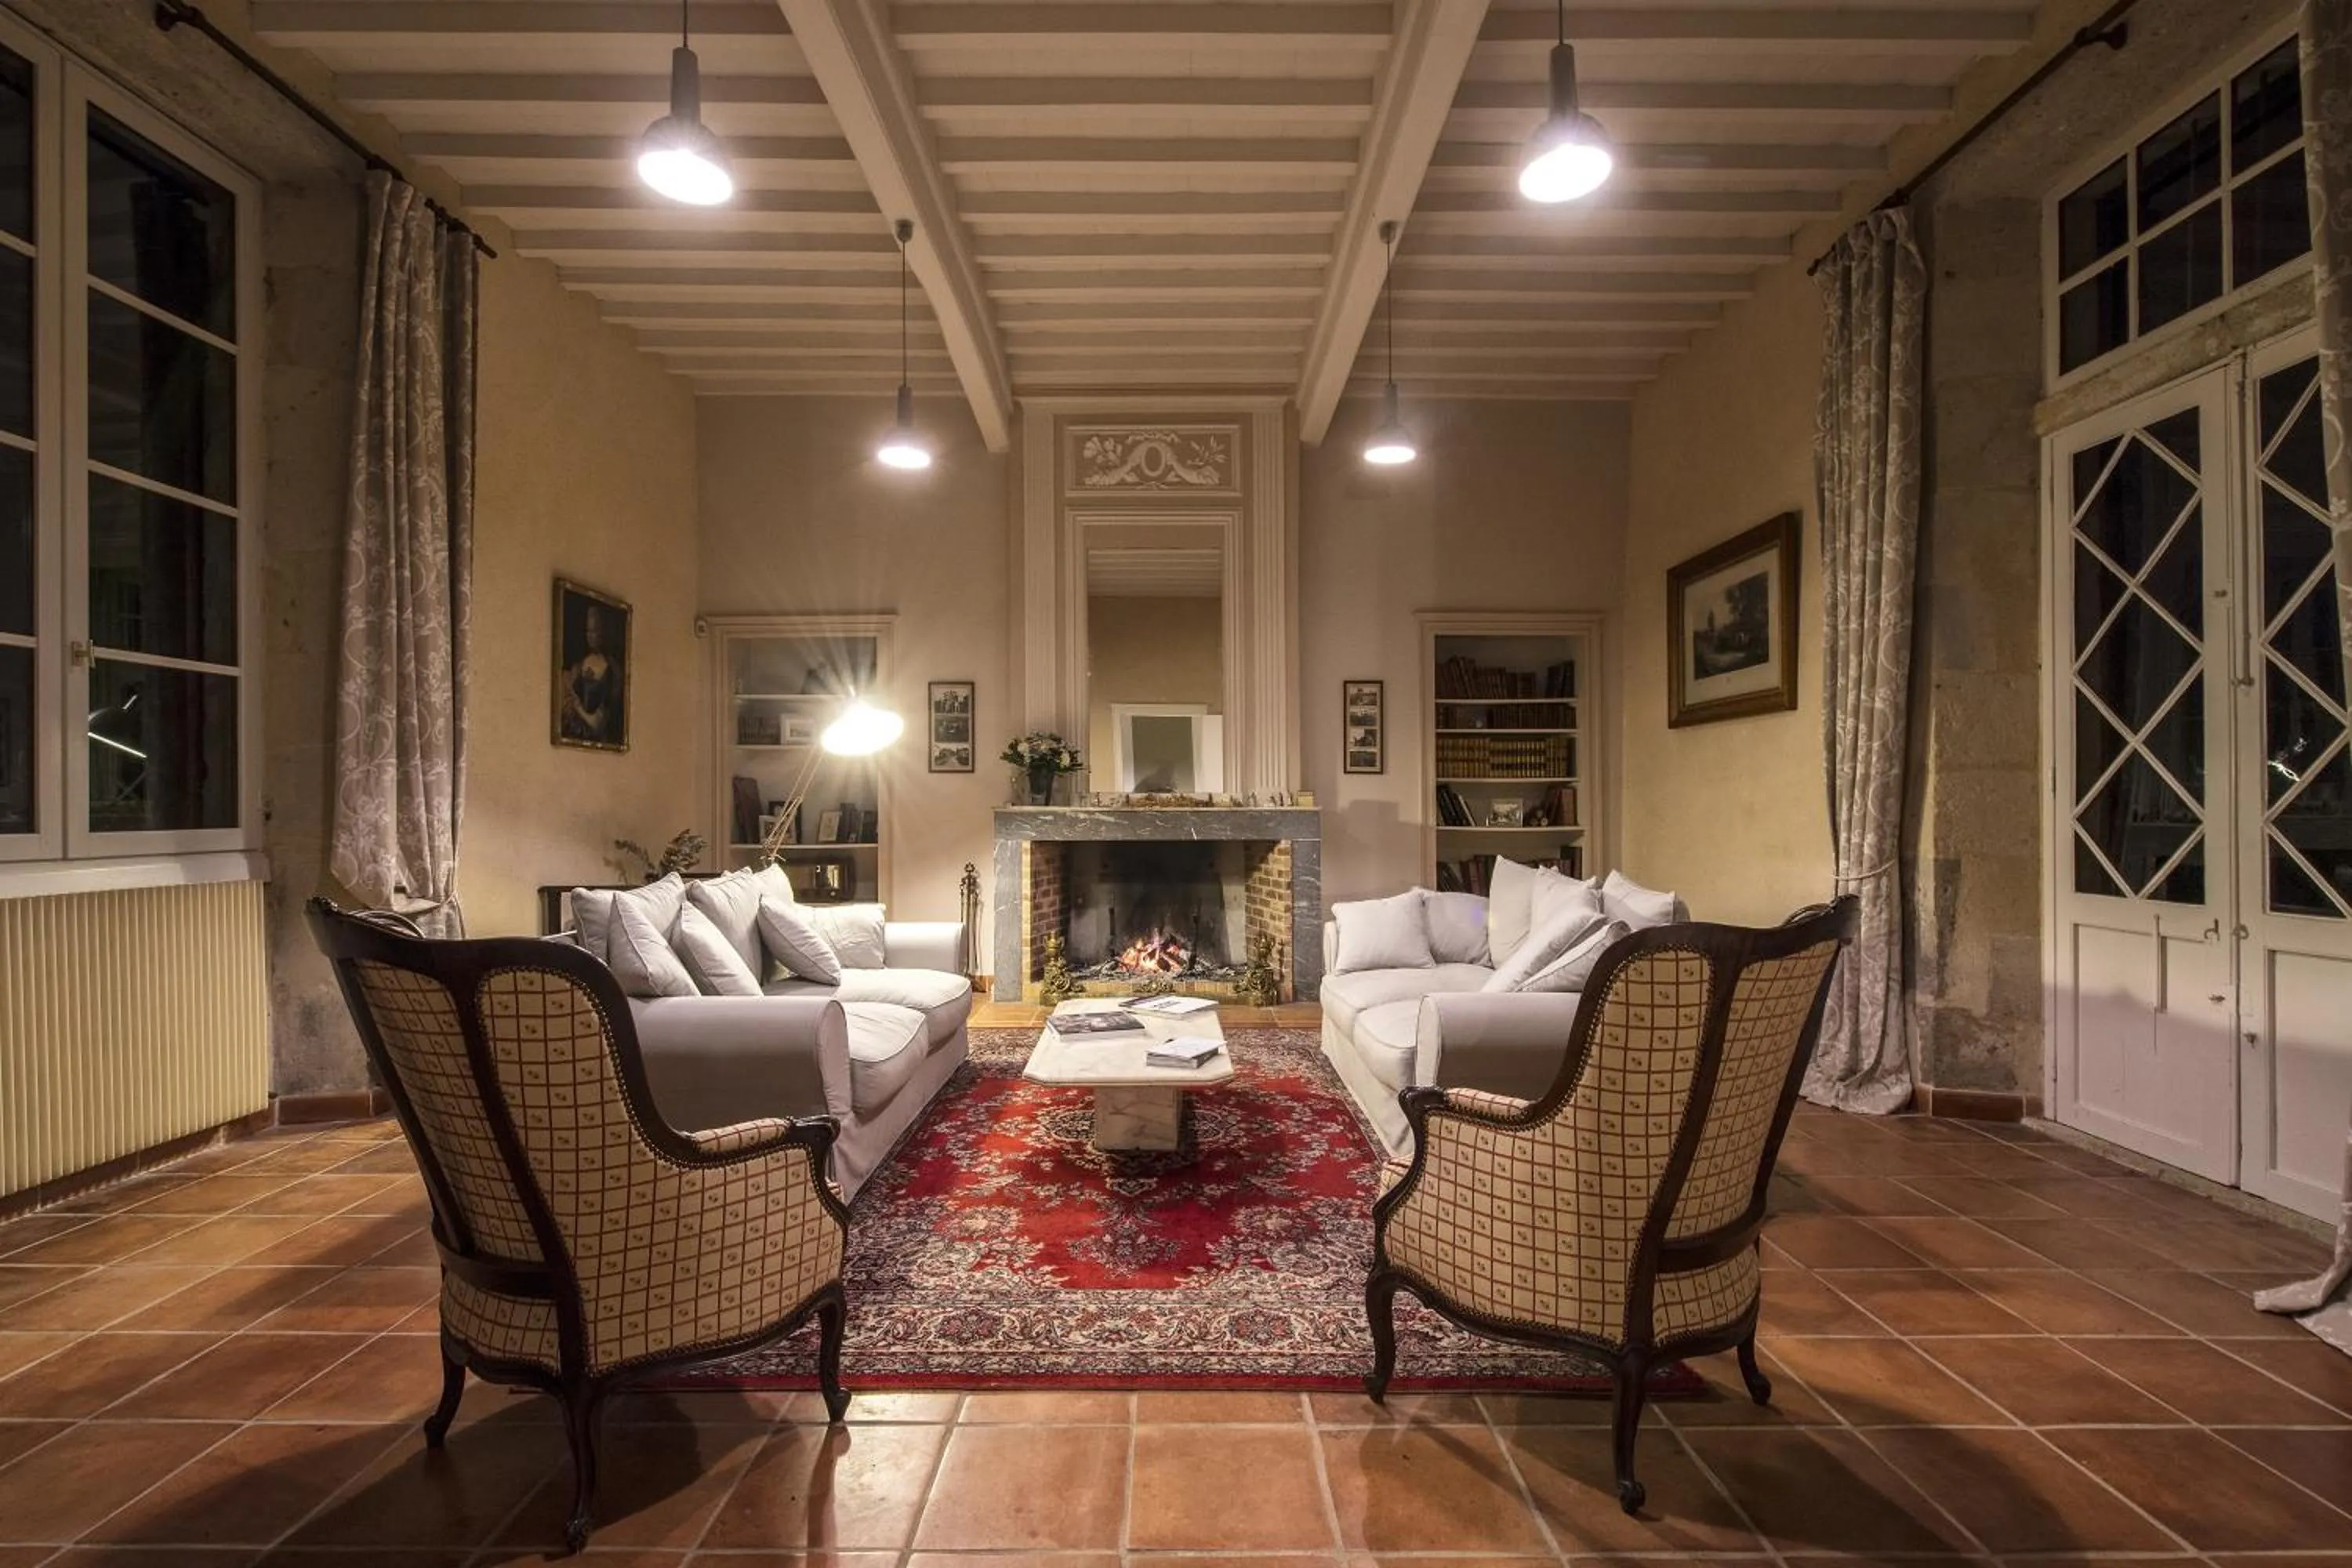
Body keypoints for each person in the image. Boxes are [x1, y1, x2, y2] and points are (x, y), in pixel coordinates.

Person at [560, 605, 620, 742]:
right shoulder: (580, 664)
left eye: (595, 631)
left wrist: (577, 706)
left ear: (604, 632)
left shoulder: (611, 669)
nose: (590, 636)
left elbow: (598, 722)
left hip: (593, 733)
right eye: (588, 631)